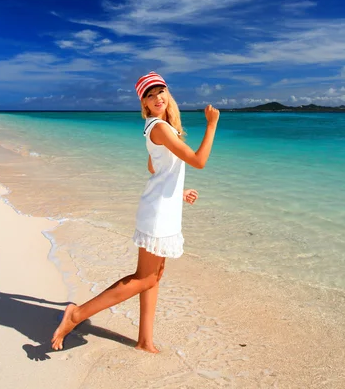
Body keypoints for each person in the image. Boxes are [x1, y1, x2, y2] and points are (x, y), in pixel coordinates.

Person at [51, 71, 220, 353]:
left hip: (163, 208)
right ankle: (76, 315)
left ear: (168, 93)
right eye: (149, 95)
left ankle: (145, 340)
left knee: (154, 277)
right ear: (143, 103)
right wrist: (212, 125)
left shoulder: (160, 128)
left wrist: (177, 191)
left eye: (160, 91)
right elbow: (199, 161)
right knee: (144, 277)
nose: (156, 98)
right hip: (158, 213)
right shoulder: (160, 128)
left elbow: (155, 167)